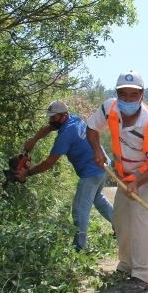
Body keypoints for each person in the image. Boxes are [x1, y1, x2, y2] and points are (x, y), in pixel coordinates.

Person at [86, 71, 148, 293]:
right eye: (123, 94)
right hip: (125, 176)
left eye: (133, 95)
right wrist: (97, 150)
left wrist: (138, 181)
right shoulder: (109, 108)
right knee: (120, 219)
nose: (127, 99)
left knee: (138, 219)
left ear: (142, 95)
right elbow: (92, 128)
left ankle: (142, 275)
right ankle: (126, 265)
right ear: (116, 94)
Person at [16, 100, 115, 251]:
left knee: (79, 210)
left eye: (53, 117)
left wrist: (27, 173)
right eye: (50, 117)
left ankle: (79, 249)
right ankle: (122, 227)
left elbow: (48, 163)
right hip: (102, 166)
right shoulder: (72, 119)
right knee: (98, 199)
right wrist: (33, 140)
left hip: (91, 171)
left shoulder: (66, 134)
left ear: (63, 116)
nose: (51, 120)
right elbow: (49, 128)